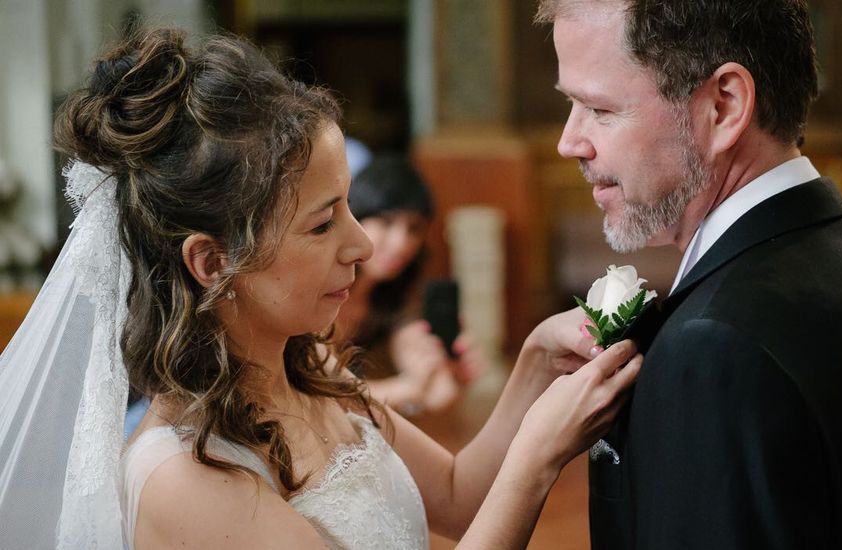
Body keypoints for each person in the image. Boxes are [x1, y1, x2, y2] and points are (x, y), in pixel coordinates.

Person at [0, 28, 642, 550]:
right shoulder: (185, 478)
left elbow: (456, 491)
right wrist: (535, 461)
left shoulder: (311, 368)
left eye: (350, 207)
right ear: (212, 260)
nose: (362, 245)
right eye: (322, 222)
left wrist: (534, 359)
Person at [535, 1, 842, 548]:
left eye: (599, 109)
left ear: (723, 106)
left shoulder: (715, 347)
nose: (569, 142)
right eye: (571, 104)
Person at [337, 154, 486, 416]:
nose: (401, 243)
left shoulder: (393, 298)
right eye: (386, 222)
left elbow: (441, 394)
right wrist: (404, 389)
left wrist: (452, 373)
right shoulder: (320, 289)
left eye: (414, 228)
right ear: (355, 216)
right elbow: (317, 394)